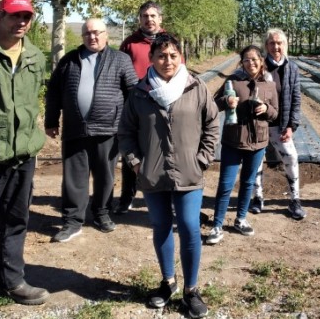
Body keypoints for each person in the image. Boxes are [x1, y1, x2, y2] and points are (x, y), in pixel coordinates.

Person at [118, 33, 217, 316]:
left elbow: (212, 124)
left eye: (173, 55)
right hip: (153, 175)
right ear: (151, 59)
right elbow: (125, 132)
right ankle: (168, 282)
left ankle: (191, 290)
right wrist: (137, 162)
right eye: (161, 56)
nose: (167, 61)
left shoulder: (196, 87)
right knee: (161, 227)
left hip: (189, 173)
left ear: (181, 57)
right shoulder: (140, 93)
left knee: (188, 226)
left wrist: (202, 158)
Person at [45, 18, 138, 242]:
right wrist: (51, 121)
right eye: (87, 33)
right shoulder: (69, 60)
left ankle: (101, 214)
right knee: (73, 179)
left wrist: (132, 125)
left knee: (105, 176)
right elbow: (54, 92)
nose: (92, 37)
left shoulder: (120, 60)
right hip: (75, 130)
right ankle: (72, 221)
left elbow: (133, 93)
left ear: (106, 35)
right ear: (83, 36)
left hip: (108, 130)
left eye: (97, 32)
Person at [0, 0, 49, 305]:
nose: (21, 22)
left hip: (23, 154)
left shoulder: (35, 57)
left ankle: (13, 280)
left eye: (26, 17)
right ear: (0, 16)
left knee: (16, 220)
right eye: (14, 16)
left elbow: (32, 105)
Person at [206, 45, 278, 245]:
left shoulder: (269, 86)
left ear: (261, 60)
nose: (251, 63)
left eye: (254, 59)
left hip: (258, 143)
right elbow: (214, 104)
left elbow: (275, 113)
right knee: (226, 184)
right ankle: (217, 225)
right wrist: (227, 100)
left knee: (248, 182)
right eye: (246, 60)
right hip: (233, 140)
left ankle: (241, 219)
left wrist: (266, 108)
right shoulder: (233, 81)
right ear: (242, 63)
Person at [115, 0, 166, 215]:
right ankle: (127, 196)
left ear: (160, 19)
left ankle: (162, 194)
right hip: (134, 105)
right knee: (131, 152)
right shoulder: (130, 43)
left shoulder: (169, 41)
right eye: (145, 16)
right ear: (140, 19)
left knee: (161, 149)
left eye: (153, 16)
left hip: (161, 104)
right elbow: (118, 72)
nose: (149, 19)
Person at [250, 28, 306, 220]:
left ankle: (295, 200)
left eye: (279, 43)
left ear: (285, 45)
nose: (276, 47)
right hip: (259, 124)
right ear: (266, 46)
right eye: (272, 43)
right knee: (256, 161)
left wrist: (291, 125)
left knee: (290, 156)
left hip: (280, 124)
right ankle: (258, 197)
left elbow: (296, 99)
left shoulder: (292, 68)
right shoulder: (259, 67)